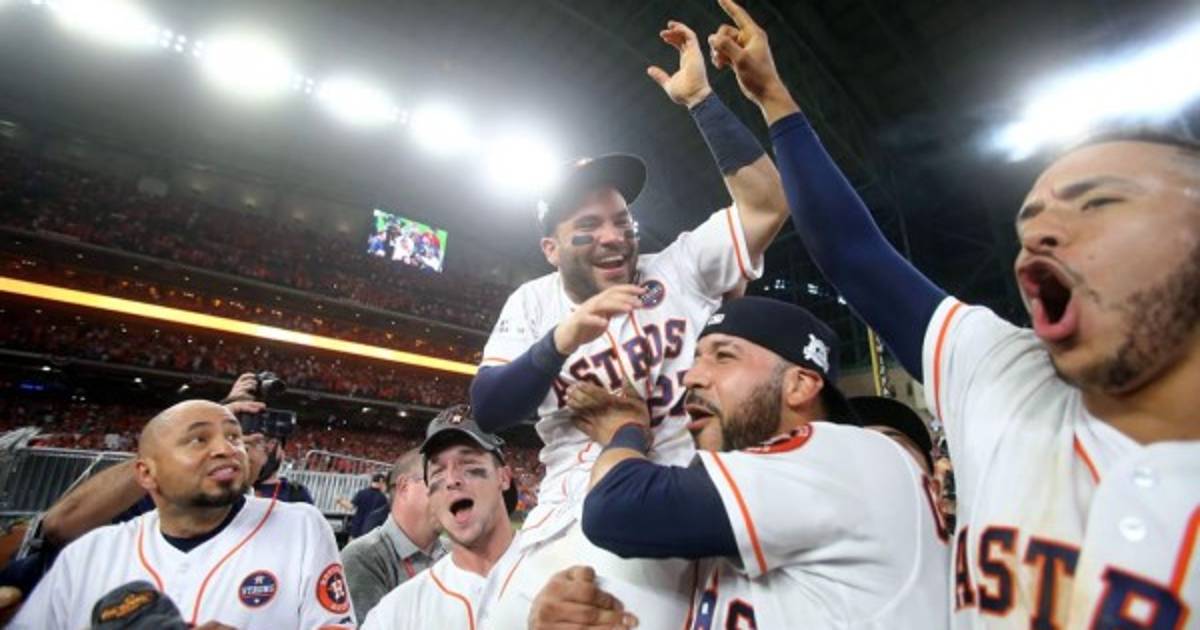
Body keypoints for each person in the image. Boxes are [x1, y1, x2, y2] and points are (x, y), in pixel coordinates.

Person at [710, 0, 1200, 625]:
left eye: (1096, 203)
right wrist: (774, 98)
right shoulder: (1002, 372)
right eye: (1029, 220)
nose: (1039, 233)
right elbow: (852, 255)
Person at [468, 16, 790, 625]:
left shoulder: (680, 266)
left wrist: (702, 101)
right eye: (587, 227)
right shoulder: (534, 303)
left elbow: (767, 204)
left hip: (671, 498)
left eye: (622, 221)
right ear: (551, 249)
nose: (613, 236)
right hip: (563, 513)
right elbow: (489, 408)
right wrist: (563, 338)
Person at [546, 297, 948, 628]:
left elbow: (616, 505)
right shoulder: (747, 524)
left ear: (800, 384)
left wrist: (627, 432)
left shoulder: (853, 453)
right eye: (696, 358)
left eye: (723, 356)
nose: (691, 377)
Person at [9, 400, 355, 629]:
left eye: (234, 436)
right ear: (146, 474)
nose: (226, 448)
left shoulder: (300, 526)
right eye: (198, 439)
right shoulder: (91, 553)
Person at [362, 406, 521, 630]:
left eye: (468, 464)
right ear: (430, 494)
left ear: (503, 478)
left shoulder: (562, 571)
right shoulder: (395, 614)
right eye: (438, 471)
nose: (452, 480)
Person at [341, 449, 446, 619]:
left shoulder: (457, 553)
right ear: (404, 487)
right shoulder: (363, 557)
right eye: (440, 482)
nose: (453, 494)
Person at [252, 438, 315, 504]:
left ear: (282, 455)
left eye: (272, 442)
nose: (265, 446)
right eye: (258, 442)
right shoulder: (245, 489)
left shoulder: (296, 492)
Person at [339, 473, 389, 539]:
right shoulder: (383, 498)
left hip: (356, 528)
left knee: (351, 545)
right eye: (385, 484)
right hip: (370, 531)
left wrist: (339, 501)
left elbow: (350, 507)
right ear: (381, 481)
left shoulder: (362, 493)